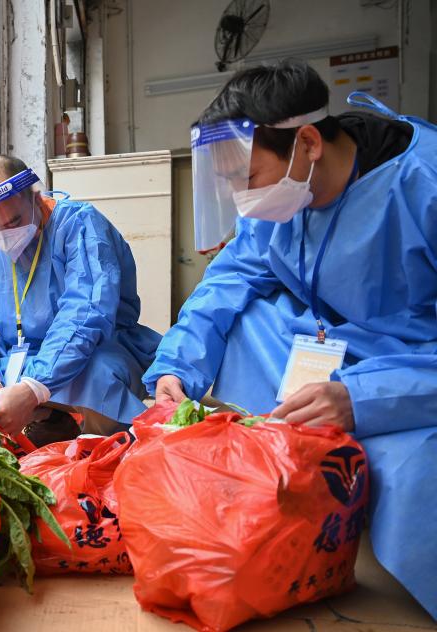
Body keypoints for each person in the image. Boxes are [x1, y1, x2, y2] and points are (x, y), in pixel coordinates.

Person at [144, 60, 437, 618]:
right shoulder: (284, 193)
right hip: (327, 344)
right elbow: (229, 279)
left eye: (247, 177)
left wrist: (361, 398)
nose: (241, 197)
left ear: (307, 143)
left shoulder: (424, 184)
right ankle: (278, 481)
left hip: (412, 367)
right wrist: (175, 368)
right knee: (241, 317)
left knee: (412, 479)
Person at [0, 155, 161, 436]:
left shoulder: (79, 225)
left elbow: (85, 314)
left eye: (14, 221)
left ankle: (99, 446)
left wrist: (32, 387)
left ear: (36, 199)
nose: (5, 236)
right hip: (15, 353)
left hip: (89, 349)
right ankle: (49, 417)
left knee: (100, 374)